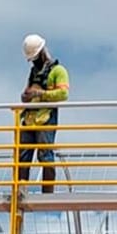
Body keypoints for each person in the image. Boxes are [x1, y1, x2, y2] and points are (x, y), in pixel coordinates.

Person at [19, 34, 69, 193]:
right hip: (29, 119)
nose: (33, 61)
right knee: (22, 157)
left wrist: (40, 94)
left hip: (45, 118)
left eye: (34, 58)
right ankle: (20, 189)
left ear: (41, 52)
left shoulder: (58, 71)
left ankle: (47, 193)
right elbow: (27, 94)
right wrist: (26, 96)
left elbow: (63, 94)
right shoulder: (33, 72)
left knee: (45, 155)